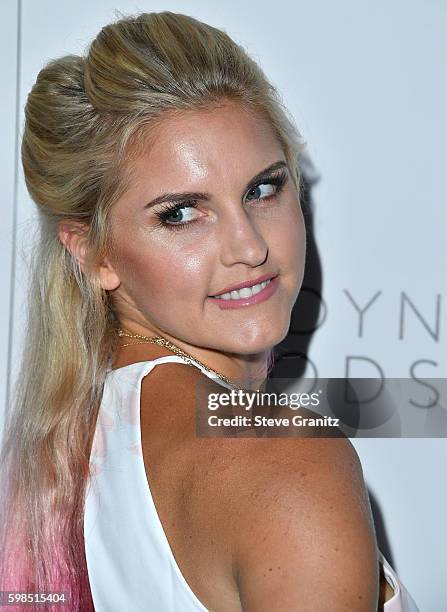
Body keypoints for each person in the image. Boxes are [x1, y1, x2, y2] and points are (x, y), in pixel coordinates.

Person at [0, 11, 419, 612]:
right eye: (180, 213)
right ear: (92, 253)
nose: (250, 247)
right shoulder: (285, 458)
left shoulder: (56, 447)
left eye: (263, 188)